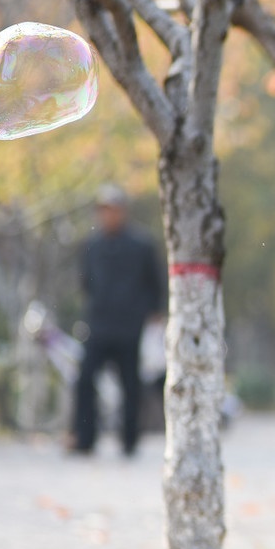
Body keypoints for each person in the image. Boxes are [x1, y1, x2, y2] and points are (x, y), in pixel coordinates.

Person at [70, 183, 166, 457]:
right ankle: (85, 439)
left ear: (123, 211)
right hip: (98, 325)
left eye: (113, 210)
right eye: (103, 210)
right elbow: (85, 284)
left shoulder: (141, 245)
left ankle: (129, 440)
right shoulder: (92, 246)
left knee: (130, 385)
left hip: (129, 327)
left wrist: (153, 315)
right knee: (85, 379)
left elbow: (154, 284)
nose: (108, 216)